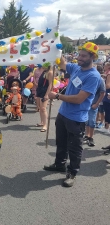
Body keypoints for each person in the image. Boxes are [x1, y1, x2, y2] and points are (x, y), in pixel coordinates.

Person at [44, 42, 100, 187]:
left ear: (92, 57)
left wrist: (56, 96)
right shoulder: (76, 68)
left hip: (76, 118)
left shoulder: (93, 76)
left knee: (74, 148)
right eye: (79, 55)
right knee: (61, 143)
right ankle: (59, 164)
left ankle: (72, 173)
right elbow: (62, 64)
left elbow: (79, 99)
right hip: (63, 114)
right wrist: (57, 48)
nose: (79, 58)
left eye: (83, 56)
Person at [83, 65, 105, 146]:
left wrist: (97, 104)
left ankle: (91, 137)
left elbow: (102, 93)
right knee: (86, 121)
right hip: (86, 103)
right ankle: (86, 135)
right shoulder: (89, 78)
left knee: (92, 121)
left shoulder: (100, 80)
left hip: (93, 103)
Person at [35, 63, 53, 132]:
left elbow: (50, 84)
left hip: (45, 91)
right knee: (40, 107)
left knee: (43, 108)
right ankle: (42, 122)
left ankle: (45, 125)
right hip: (40, 90)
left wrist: (46, 95)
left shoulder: (50, 72)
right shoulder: (44, 71)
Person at [101, 62, 110, 134]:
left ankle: (107, 128)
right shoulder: (106, 73)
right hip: (107, 94)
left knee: (107, 111)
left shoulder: (109, 74)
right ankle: (106, 127)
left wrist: (103, 82)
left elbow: (108, 86)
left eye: (105, 65)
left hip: (107, 94)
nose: (104, 66)